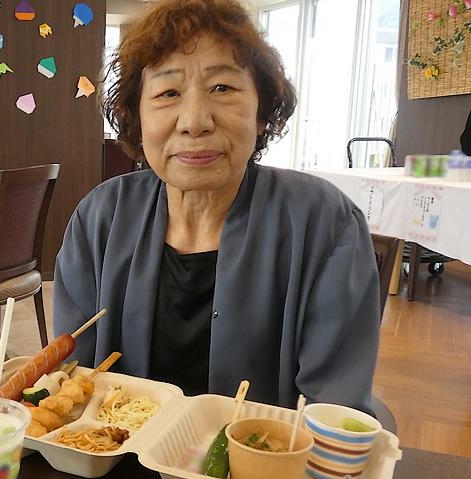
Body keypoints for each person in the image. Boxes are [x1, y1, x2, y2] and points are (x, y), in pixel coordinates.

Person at [53, 0, 381, 414]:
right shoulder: (99, 217)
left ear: (262, 111)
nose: (194, 120)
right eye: (168, 93)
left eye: (222, 88)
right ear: (137, 117)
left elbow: (334, 409)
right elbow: (71, 381)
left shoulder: (324, 224)